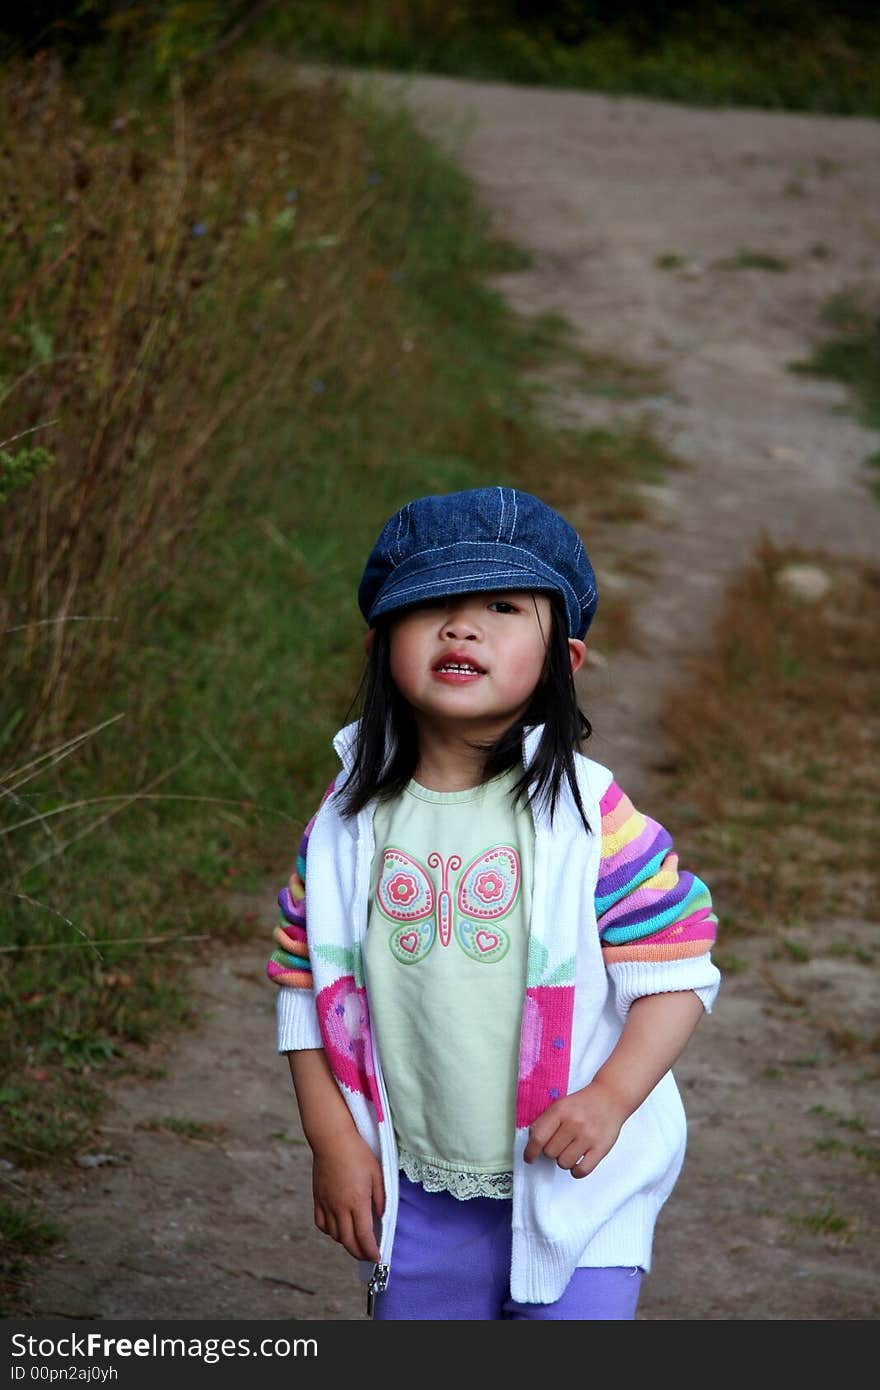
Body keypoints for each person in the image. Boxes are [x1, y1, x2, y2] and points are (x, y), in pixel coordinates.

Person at [267, 486, 720, 1321]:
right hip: (417, 1197)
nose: (461, 626)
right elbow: (302, 988)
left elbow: (677, 970)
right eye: (431, 604)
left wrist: (612, 1096)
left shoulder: (591, 820)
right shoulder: (343, 828)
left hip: (581, 1190)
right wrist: (332, 1141)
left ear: (564, 662)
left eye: (504, 606)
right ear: (381, 646)